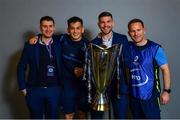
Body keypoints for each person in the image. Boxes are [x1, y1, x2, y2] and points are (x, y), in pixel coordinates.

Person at [28, 16, 89, 119]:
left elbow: (94, 65)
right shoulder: (61, 39)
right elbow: (47, 35)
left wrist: (84, 70)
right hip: (67, 85)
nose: (75, 31)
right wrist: (36, 37)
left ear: (82, 29)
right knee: (68, 115)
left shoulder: (88, 44)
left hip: (83, 85)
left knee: (82, 113)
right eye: (72, 28)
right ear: (68, 30)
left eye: (78, 28)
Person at [17, 16, 63, 119]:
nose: (48, 29)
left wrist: (100, 36)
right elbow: (21, 66)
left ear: (54, 27)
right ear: (40, 27)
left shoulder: (59, 42)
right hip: (35, 90)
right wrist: (23, 88)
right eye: (45, 26)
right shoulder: (31, 45)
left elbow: (74, 36)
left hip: (54, 90)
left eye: (50, 26)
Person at [125, 18, 171, 119]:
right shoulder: (128, 47)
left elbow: (165, 70)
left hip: (150, 96)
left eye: (138, 30)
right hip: (133, 96)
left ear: (144, 30)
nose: (136, 34)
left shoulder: (155, 48)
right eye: (133, 31)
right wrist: (101, 35)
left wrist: (166, 91)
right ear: (129, 33)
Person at [89, 11, 129, 119]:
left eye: (108, 21)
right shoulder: (93, 43)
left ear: (113, 23)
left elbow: (127, 61)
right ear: (98, 24)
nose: (105, 25)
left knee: (120, 117)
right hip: (99, 89)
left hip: (119, 86)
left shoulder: (123, 39)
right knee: (96, 117)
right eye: (102, 22)